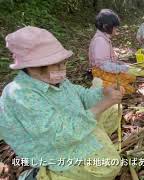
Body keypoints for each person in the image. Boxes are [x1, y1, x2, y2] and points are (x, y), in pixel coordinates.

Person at [0, 26, 123, 180]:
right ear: (32, 67)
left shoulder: (54, 78)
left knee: (114, 109)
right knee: (108, 168)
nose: (62, 69)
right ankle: (42, 174)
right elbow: (58, 136)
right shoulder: (20, 95)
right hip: (50, 144)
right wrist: (101, 105)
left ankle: (90, 141)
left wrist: (102, 93)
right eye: (56, 64)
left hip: (70, 126)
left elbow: (80, 95)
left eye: (63, 63)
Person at [89, 9, 140, 94]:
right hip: (101, 72)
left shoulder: (104, 38)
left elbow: (109, 59)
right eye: (115, 27)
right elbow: (104, 65)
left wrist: (120, 63)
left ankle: (102, 84)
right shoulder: (100, 41)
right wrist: (122, 68)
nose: (116, 29)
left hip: (108, 69)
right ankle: (98, 84)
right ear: (106, 26)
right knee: (127, 89)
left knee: (131, 77)